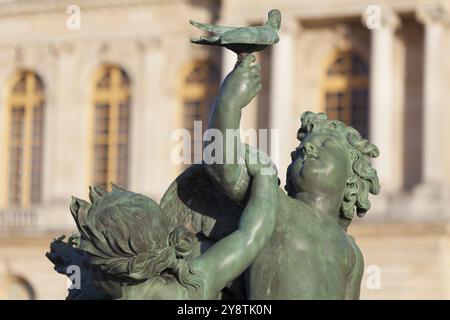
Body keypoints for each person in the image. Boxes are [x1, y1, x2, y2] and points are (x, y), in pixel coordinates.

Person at [205, 54, 380, 299]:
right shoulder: (273, 204)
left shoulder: (351, 251)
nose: (307, 148)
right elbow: (221, 165)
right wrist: (228, 104)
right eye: (301, 148)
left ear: (351, 179)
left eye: (326, 144)